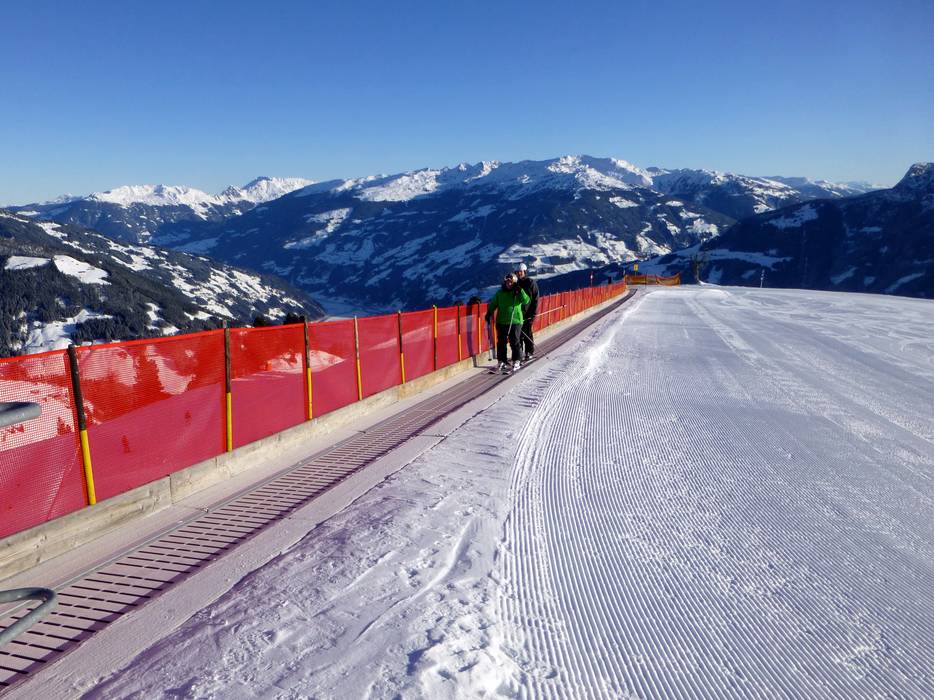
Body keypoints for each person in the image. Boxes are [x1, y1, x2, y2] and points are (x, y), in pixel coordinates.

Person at [485, 273, 530, 372]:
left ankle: (516, 360)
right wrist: (489, 313)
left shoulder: (517, 292)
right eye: (507, 282)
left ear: (514, 283)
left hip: (515, 321)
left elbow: (526, 300)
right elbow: (493, 303)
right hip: (501, 321)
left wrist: (520, 291)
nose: (509, 284)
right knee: (501, 342)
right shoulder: (500, 293)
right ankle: (502, 361)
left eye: (511, 282)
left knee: (515, 342)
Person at [515, 263, 539, 360]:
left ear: (525, 272)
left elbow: (535, 298)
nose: (519, 273)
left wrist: (533, 313)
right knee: (518, 334)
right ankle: (519, 352)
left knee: (527, 332)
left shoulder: (531, 282)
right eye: (518, 272)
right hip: (518, 313)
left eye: (521, 272)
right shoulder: (516, 283)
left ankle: (529, 351)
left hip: (528, 312)